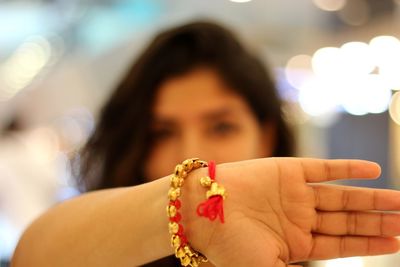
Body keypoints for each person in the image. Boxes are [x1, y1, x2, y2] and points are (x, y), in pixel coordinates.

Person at [10, 21, 400, 267]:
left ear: (264, 134)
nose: (189, 154)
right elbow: (33, 255)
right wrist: (193, 211)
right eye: (161, 132)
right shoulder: (105, 248)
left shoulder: (303, 253)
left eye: (221, 127)